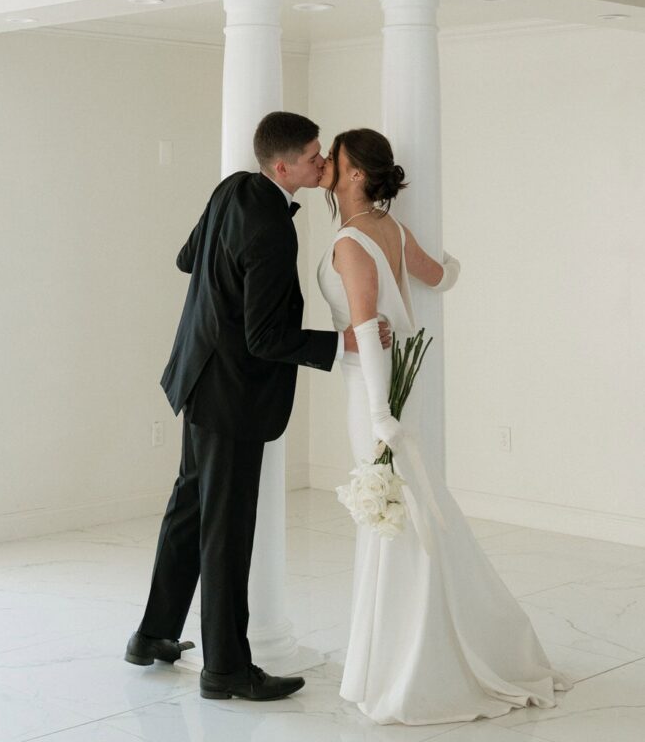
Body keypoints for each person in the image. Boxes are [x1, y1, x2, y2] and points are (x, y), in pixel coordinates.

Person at [125, 112, 390, 702]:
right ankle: (225, 669)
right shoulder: (272, 226)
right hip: (231, 396)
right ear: (284, 166)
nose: (323, 164)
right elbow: (266, 338)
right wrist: (341, 343)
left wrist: (223, 286)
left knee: (190, 508)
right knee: (225, 529)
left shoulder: (232, 189)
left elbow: (188, 258)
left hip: (197, 376)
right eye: (314, 157)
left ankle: (152, 635)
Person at [317, 127, 574, 725]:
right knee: (407, 509)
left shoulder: (352, 242)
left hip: (375, 389)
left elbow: (366, 331)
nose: (326, 160)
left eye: (336, 155)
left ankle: (404, 663)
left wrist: (379, 416)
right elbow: (442, 277)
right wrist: (453, 253)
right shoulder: (392, 229)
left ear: (356, 174)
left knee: (390, 512)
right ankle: (406, 649)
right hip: (407, 384)